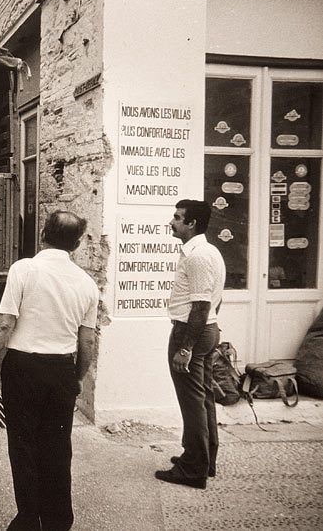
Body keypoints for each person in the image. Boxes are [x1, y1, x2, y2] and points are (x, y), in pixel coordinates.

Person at [0, 210, 99, 531]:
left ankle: (28, 519)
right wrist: (77, 377)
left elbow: (5, 322)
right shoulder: (87, 284)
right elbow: (87, 339)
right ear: (75, 244)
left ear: (43, 234)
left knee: (24, 443)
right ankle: (58, 520)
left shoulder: (24, 269)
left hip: (24, 369)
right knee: (58, 447)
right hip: (61, 369)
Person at [155, 199, 225, 490]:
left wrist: (185, 348)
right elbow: (214, 300)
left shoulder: (198, 256)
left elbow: (200, 305)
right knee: (203, 397)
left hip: (192, 331)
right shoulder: (207, 252)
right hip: (205, 329)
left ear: (192, 223)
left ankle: (194, 469)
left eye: (177, 217)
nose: (172, 222)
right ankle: (203, 460)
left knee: (192, 401)